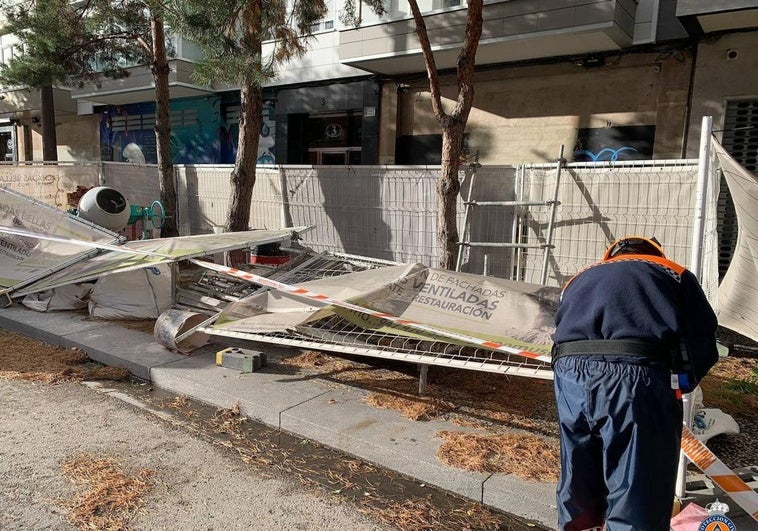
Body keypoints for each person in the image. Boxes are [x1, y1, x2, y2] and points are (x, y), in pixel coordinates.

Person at [551, 236, 719, 530]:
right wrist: (679, 383)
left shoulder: (579, 278)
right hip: (635, 375)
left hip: (570, 374)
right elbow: (703, 341)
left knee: (578, 476)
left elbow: (560, 324)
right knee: (638, 484)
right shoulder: (673, 273)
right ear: (655, 254)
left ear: (611, 257)